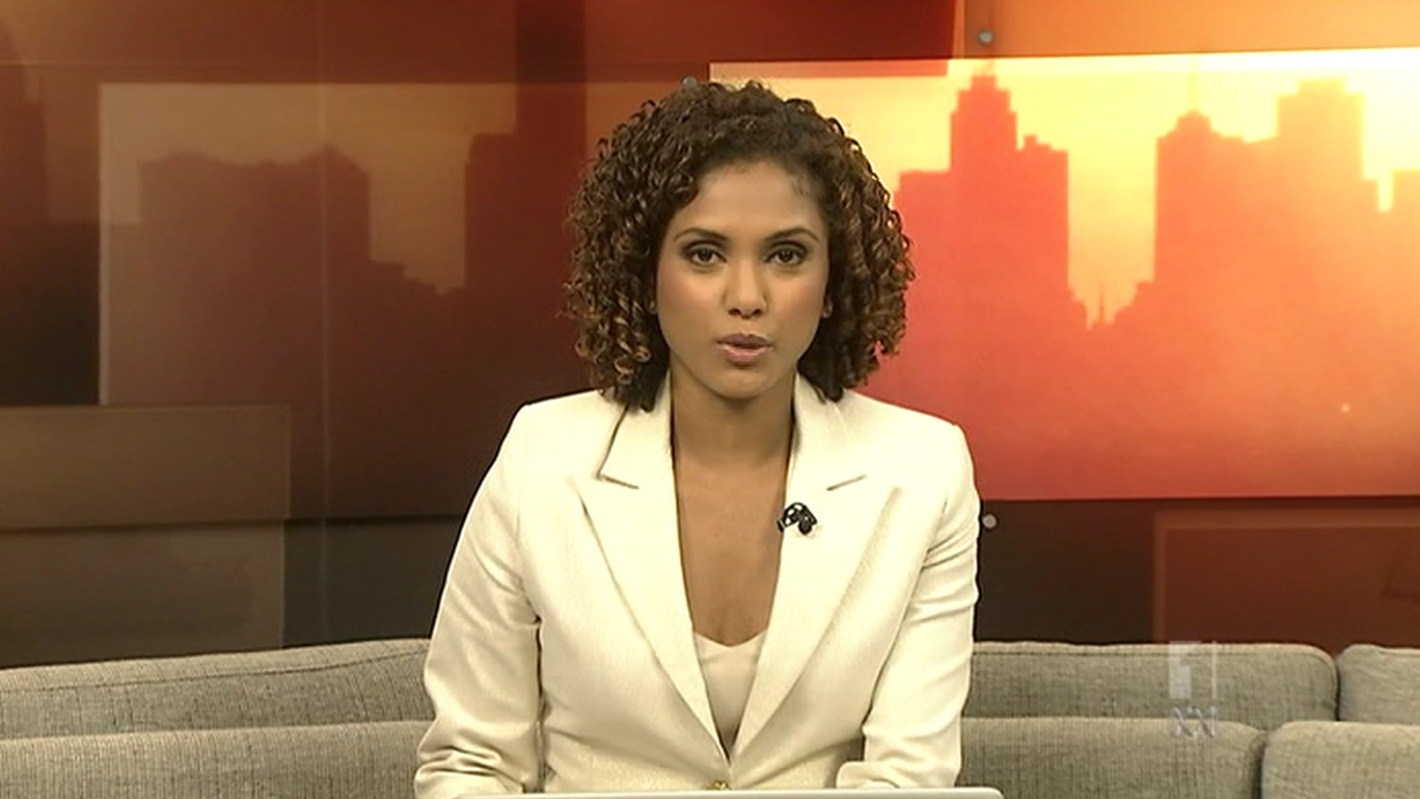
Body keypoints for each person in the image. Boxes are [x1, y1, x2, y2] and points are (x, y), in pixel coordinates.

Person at [415, 79, 980, 797]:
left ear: (833, 282)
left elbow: (908, 779)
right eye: (705, 254)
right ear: (646, 274)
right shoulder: (542, 459)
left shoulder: (924, 472)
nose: (747, 297)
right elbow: (472, 766)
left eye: (786, 255)